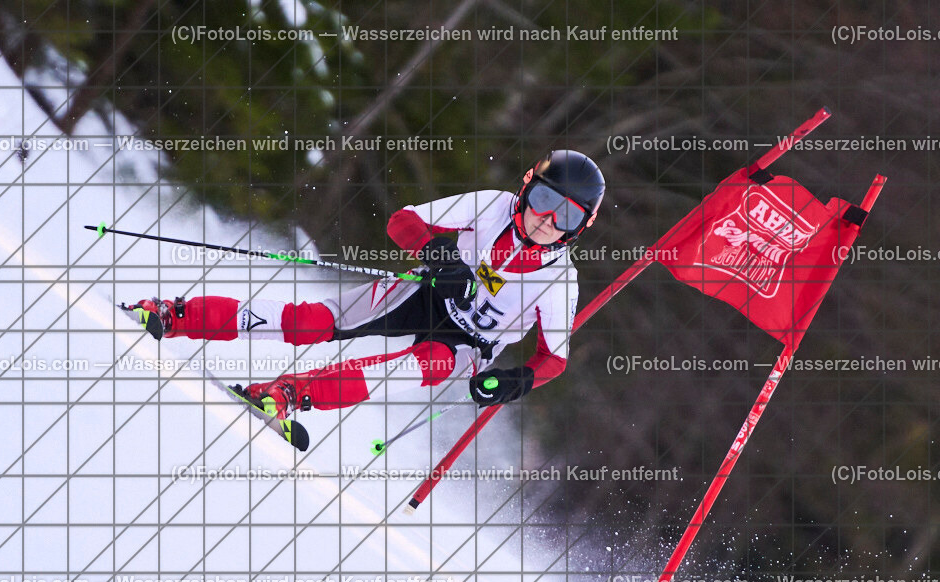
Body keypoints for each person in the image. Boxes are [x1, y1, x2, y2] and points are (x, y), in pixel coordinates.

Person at [132, 149, 605, 421]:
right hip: (427, 290)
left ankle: (291, 395)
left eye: (567, 215)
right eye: (544, 199)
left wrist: (515, 381)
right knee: (312, 322)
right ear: (526, 188)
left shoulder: (559, 282)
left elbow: (553, 360)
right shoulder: (493, 205)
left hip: (469, 343)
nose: (547, 219)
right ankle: (175, 316)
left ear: (580, 227)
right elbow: (404, 222)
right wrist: (437, 253)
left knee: (410, 367)